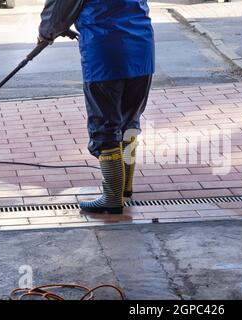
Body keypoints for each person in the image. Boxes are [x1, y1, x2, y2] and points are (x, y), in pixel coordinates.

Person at [38, 0, 155, 214]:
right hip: (141, 47)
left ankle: (112, 197)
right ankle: (125, 187)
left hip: (104, 52)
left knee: (105, 125)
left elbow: (59, 9)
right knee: (130, 119)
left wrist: (46, 33)